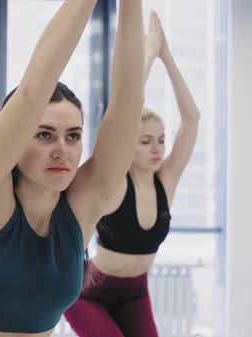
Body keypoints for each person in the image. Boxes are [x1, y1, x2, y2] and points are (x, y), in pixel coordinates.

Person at [0, 0, 146, 336]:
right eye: (44, 135)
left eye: (73, 136)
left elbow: (129, 102)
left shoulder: (82, 209)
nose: (62, 151)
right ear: (15, 143)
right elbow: (31, 93)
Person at [63, 12, 201, 337]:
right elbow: (125, 104)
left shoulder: (165, 181)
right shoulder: (113, 180)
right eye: (145, 141)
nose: (157, 149)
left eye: (162, 141)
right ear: (129, 143)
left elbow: (192, 119)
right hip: (87, 294)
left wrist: (167, 57)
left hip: (135, 293)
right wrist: (148, 55)